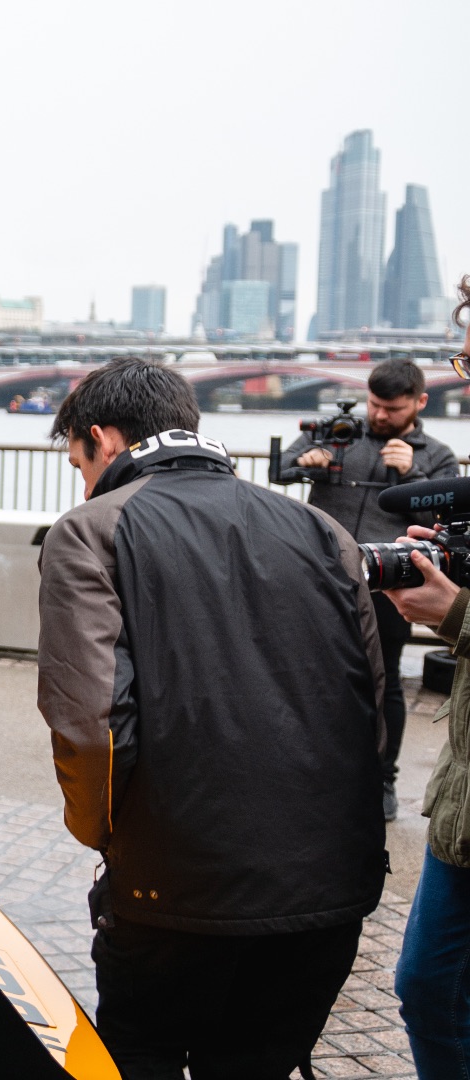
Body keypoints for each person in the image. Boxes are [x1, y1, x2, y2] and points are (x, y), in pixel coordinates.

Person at [36, 357, 385, 1079]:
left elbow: (90, 724)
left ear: (101, 439)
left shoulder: (91, 530)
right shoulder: (321, 530)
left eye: (78, 461)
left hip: (176, 888)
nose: (82, 479)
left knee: (143, 1054)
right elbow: (368, 705)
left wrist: (108, 835)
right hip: (326, 892)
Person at [279, 358, 460, 820]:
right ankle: (313, 771)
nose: (379, 415)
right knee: (310, 676)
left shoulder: (436, 455)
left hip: (387, 587)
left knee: (386, 684)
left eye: (392, 408)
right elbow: (279, 469)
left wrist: (414, 477)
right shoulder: (338, 431)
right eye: (374, 405)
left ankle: (383, 780)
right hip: (322, 575)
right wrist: (305, 461)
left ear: (419, 402)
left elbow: (444, 530)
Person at [384, 276, 470, 1078]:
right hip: (463, 804)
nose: (466, 374)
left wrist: (455, 613)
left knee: (434, 989)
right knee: (429, 989)